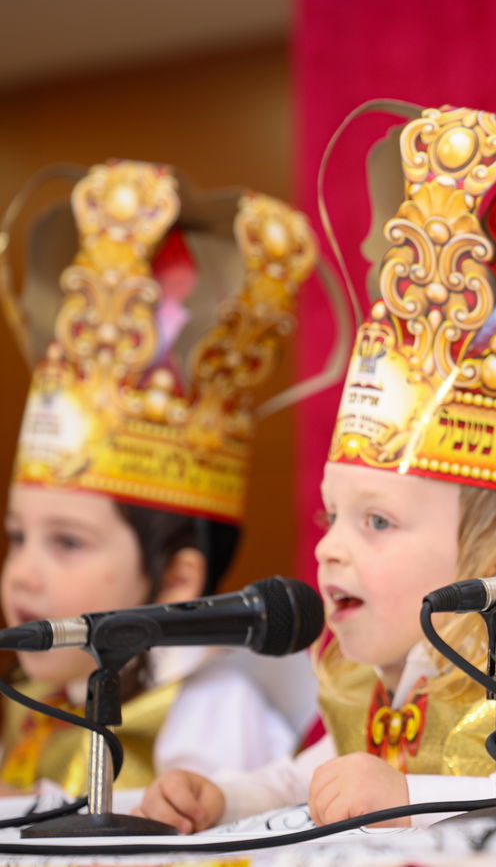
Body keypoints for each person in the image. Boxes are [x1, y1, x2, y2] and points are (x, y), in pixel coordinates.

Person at [136, 104, 496, 832]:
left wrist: (412, 797)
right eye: (330, 514)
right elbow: (310, 776)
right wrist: (224, 796)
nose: (328, 546)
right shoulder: (390, 685)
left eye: (377, 520)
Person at [0, 160, 322, 794]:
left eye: (66, 541)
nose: (21, 574)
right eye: (16, 537)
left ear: (176, 579)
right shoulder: (37, 697)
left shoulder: (211, 707)